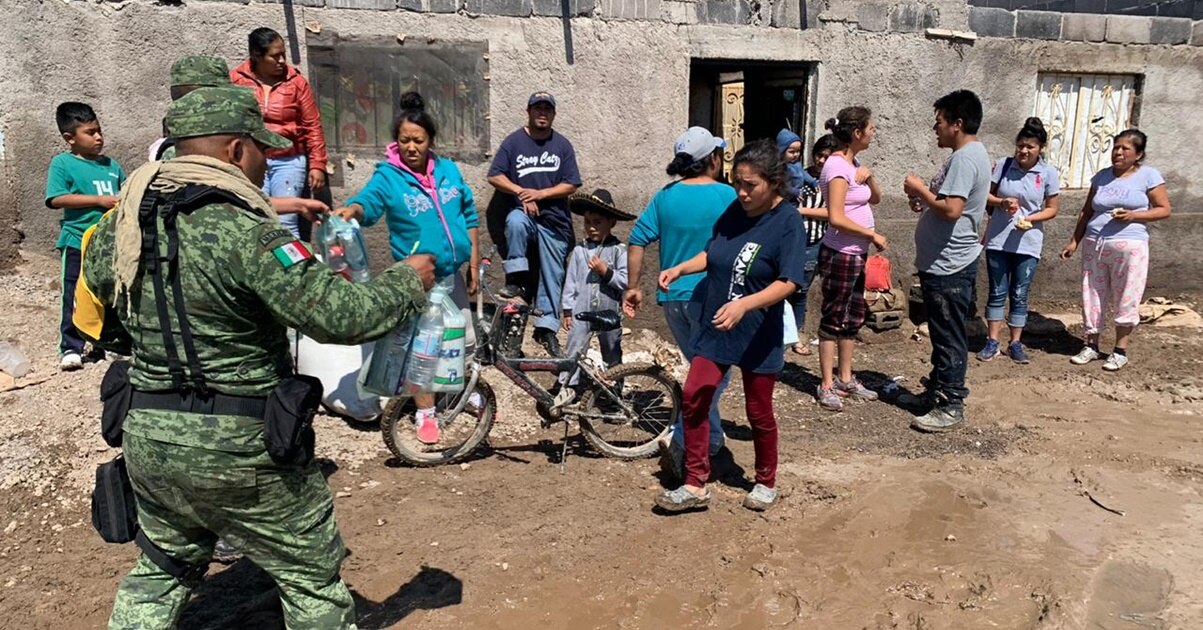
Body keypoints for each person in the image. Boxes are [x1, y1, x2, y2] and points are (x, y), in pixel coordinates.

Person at [84, 86, 435, 628]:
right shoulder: (247, 231)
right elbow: (342, 316)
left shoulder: (119, 225)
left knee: (162, 568)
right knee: (310, 578)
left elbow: (106, 322)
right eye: (262, 150)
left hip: (149, 438)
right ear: (234, 150)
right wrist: (406, 281)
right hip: (242, 446)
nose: (267, 164)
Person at [653, 139, 806, 513]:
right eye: (736, 182)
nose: (741, 192)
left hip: (757, 330)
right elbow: (712, 252)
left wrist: (744, 305)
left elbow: (788, 282)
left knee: (758, 411)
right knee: (695, 394)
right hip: (717, 323)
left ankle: (766, 481)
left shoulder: (787, 221)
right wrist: (680, 268)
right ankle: (694, 483)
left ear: (773, 182)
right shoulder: (735, 211)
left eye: (750, 185)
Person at [335, 91, 480, 444]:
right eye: (404, 141)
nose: (411, 147)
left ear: (431, 141)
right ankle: (425, 413)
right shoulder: (388, 177)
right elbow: (368, 202)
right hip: (419, 278)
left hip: (452, 273)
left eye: (418, 140)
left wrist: (474, 261)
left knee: (462, 339)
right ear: (396, 141)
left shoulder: (448, 170)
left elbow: (469, 214)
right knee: (424, 347)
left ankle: (457, 393)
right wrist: (352, 211)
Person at [623, 127, 735, 482]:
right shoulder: (727, 195)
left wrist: (633, 287)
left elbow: (637, 239)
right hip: (710, 298)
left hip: (672, 299)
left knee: (701, 368)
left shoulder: (665, 196)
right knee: (718, 373)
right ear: (713, 159)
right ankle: (682, 437)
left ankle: (711, 439)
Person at [903, 89, 991, 433]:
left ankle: (951, 403)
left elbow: (952, 210)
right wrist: (924, 200)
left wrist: (920, 189)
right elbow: (948, 204)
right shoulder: (966, 155)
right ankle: (937, 392)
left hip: (950, 263)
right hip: (943, 261)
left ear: (958, 123)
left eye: (939, 121)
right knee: (942, 333)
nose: (934, 128)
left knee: (948, 335)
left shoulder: (965, 158)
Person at [1060, 129, 1171, 371]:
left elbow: (1164, 209)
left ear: (1138, 154)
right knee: (1092, 293)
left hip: (1130, 246)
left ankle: (1120, 350)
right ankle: (1091, 345)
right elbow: (1087, 211)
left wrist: (1134, 215)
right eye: (1116, 147)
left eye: (1125, 149)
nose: (1118, 152)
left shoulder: (1149, 176)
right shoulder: (1102, 177)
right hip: (1095, 244)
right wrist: (1074, 241)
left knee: (1127, 295)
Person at [487, 91, 582, 357]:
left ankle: (546, 329)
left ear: (553, 114)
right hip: (525, 215)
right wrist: (520, 192)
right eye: (537, 108)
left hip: (555, 222)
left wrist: (540, 194)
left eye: (547, 109)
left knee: (553, 275)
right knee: (515, 220)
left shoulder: (562, 145)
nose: (542, 113)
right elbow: (494, 176)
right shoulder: (514, 142)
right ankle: (516, 279)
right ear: (528, 112)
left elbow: (572, 183)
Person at [45, 101, 125, 371]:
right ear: (70, 138)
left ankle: (107, 343)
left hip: (108, 243)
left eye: (99, 130)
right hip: (77, 240)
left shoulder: (111, 165)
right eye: (90, 133)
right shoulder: (63, 164)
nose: (98, 137)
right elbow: (56, 198)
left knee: (109, 292)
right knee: (74, 294)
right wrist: (98, 200)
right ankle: (71, 346)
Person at [815, 108, 885, 411]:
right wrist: (871, 234)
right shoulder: (836, 167)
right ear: (857, 133)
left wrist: (870, 178)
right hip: (840, 253)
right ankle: (826, 383)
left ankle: (845, 378)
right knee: (834, 317)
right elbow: (836, 217)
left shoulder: (852, 164)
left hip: (856, 253)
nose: (873, 133)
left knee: (853, 315)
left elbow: (875, 199)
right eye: (870, 128)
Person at [231, 27, 329, 238]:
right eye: (275, 56)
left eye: (283, 54)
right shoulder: (236, 81)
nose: (282, 60)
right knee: (255, 216)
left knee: (286, 222)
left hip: (289, 160)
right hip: (252, 160)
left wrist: (318, 165)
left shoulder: (296, 82)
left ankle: (290, 259)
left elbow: (312, 125)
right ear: (256, 56)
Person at [977, 117, 1060, 364]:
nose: (1024, 151)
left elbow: (1052, 208)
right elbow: (984, 195)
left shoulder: (1048, 173)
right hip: (998, 240)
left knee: (1020, 293)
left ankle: (1015, 343)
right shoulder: (1003, 166)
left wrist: (1031, 218)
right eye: (1020, 145)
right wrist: (1001, 202)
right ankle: (992, 341)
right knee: (997, 291)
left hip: (1028, 242)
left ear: (1040, 148)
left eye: (1030, 147)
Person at [556, 189, 633, 396]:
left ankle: (615, 390)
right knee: (574, 346)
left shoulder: (618, 250)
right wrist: (567, 310)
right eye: (587, 222)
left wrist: (605, 271)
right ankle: (567, 387)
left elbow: (625, 281)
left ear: (611, 222)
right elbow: (571, 282)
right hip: (581, 312)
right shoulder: (580, 250)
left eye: (597, 222)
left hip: (609, 312)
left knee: (612, 349)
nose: (591, 227)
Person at [788, 133, 838, 356]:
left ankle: (797, 335)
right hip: (789, 240)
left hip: (812, 242)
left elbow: (833, 213)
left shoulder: (833, 182)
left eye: (827, 157)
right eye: (819, 155)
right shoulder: (797, 174)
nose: (821, 160)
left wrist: (801, 211)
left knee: (800, 291)